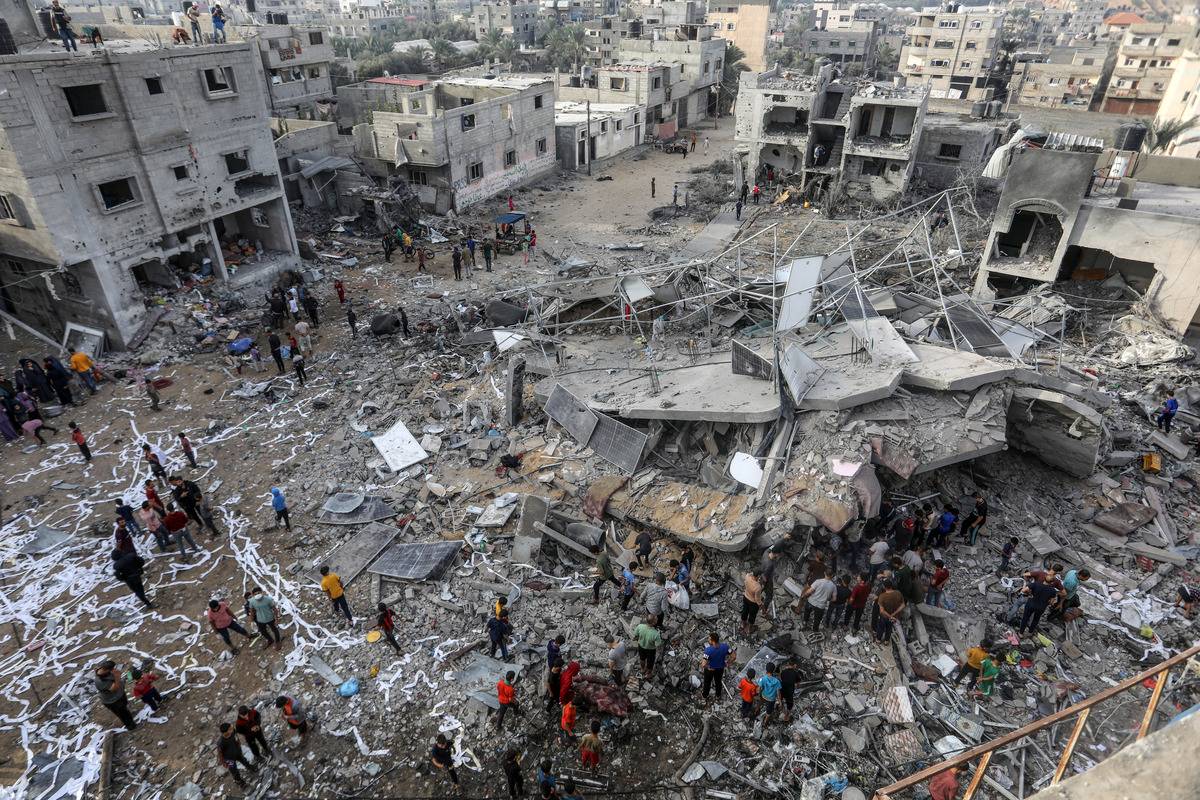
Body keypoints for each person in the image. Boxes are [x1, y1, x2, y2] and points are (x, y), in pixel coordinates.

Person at [93, 660, 136, 730]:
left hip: (120, 695)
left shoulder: (106, 671)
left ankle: (128, 715)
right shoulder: (99, 681)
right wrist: (117, 676)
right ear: (106, 669)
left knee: (124, 708)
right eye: (112, 669)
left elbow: (117, 674)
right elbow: (114, 688)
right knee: (122, 714)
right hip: (113, 701)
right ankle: (130, 725)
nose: (114, 670)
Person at [218, 722, 257, 787]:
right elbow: (220, 754)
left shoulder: (233, 732)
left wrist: (239, 747)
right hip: (229, 759)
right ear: (225, 732)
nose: (232, 729)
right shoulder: (221, 743)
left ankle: (250, 767)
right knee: (234, 771)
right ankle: (240, 782)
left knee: (244, 760)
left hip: (237, 752)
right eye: (230, 729)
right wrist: (224, 763)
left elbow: (236, 739)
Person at [701, 632, 733, 703]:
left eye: (709, 639)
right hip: (720, 668)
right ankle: (718, 696)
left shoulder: (708, 651)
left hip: (710, 670)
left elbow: (703, 664)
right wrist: (728, 662)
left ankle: (705, 696)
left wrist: (708, 667)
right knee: (718, 682)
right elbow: (734, 656)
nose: (708, 640)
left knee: (707, 683)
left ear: (712, 641)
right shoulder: (725, 647)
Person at [741, 570, 763, 635]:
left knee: (745, 611)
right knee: (752, 615)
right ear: (758, 576)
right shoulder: (758, 587)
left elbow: (750, 574)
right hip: (753, 603)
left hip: (746, 597)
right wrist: (761, 604)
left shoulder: (747, 576)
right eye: (760, 576)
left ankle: (743, 624)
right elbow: (757, 599)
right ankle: (749, 629)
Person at [779, 657, 800, 721]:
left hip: (782, 689)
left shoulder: (783, 672)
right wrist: (796, 686)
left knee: (780, 699)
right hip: (789, 691)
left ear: (788, 664)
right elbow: (798, 683)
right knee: (790, 704)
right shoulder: (796, 673)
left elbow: (781, 679)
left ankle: (780, 707)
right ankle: (786, 716)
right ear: (794, 665)